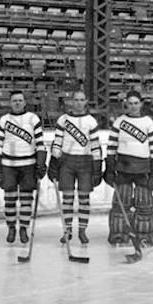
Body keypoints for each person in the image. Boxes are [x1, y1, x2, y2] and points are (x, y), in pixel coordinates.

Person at [104, 90, 153, 246]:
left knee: (145, 205)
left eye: (136, 103)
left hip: (143, 169)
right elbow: (111, 148)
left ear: (141, 104)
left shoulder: (148, 122)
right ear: (126, 105)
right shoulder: (119, 122)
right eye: (130, 103)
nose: (133, 106)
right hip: (123, 168)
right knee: (120, 205)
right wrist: (109, 169)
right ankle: (119, 234)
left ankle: (145, 235)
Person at [0, 91, 46, 244]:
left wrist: (40, 164)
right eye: (14, 100)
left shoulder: (33, 118)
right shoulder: (3, 120)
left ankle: (23, 228)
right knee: (9, 198)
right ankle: (11, 228)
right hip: (8, 165)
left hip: (28, 164)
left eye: (20, 100)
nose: (17, 103)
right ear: (10, 102)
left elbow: (40, 144)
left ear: (24, 102)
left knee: (26, 199)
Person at [48, 91, 101, 244]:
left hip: (85, 162)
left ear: (86, 102)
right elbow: (57, 141)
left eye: (82, 100)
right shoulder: (63, 120)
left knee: (84, 199)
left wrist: (97, 168)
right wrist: (54, 161)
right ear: (71, 101)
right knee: (68, 199)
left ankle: (82, 231)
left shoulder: (91, 121)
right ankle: (67, 231)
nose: (78, 103)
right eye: (76, 100)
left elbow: (95, 145)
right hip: (66, 162)